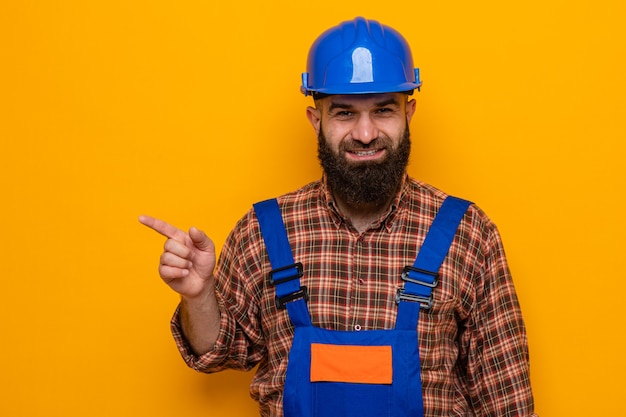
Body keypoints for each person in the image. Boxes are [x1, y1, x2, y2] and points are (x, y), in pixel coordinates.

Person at [140, 17, 537, 417]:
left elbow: (507, 401)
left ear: (409, 113)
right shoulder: (264, 230)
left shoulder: (468, 233)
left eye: (383, 110)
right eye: (344, 113)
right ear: (317, 120)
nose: (365, 133)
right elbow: (220, 352)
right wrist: (198, 296)